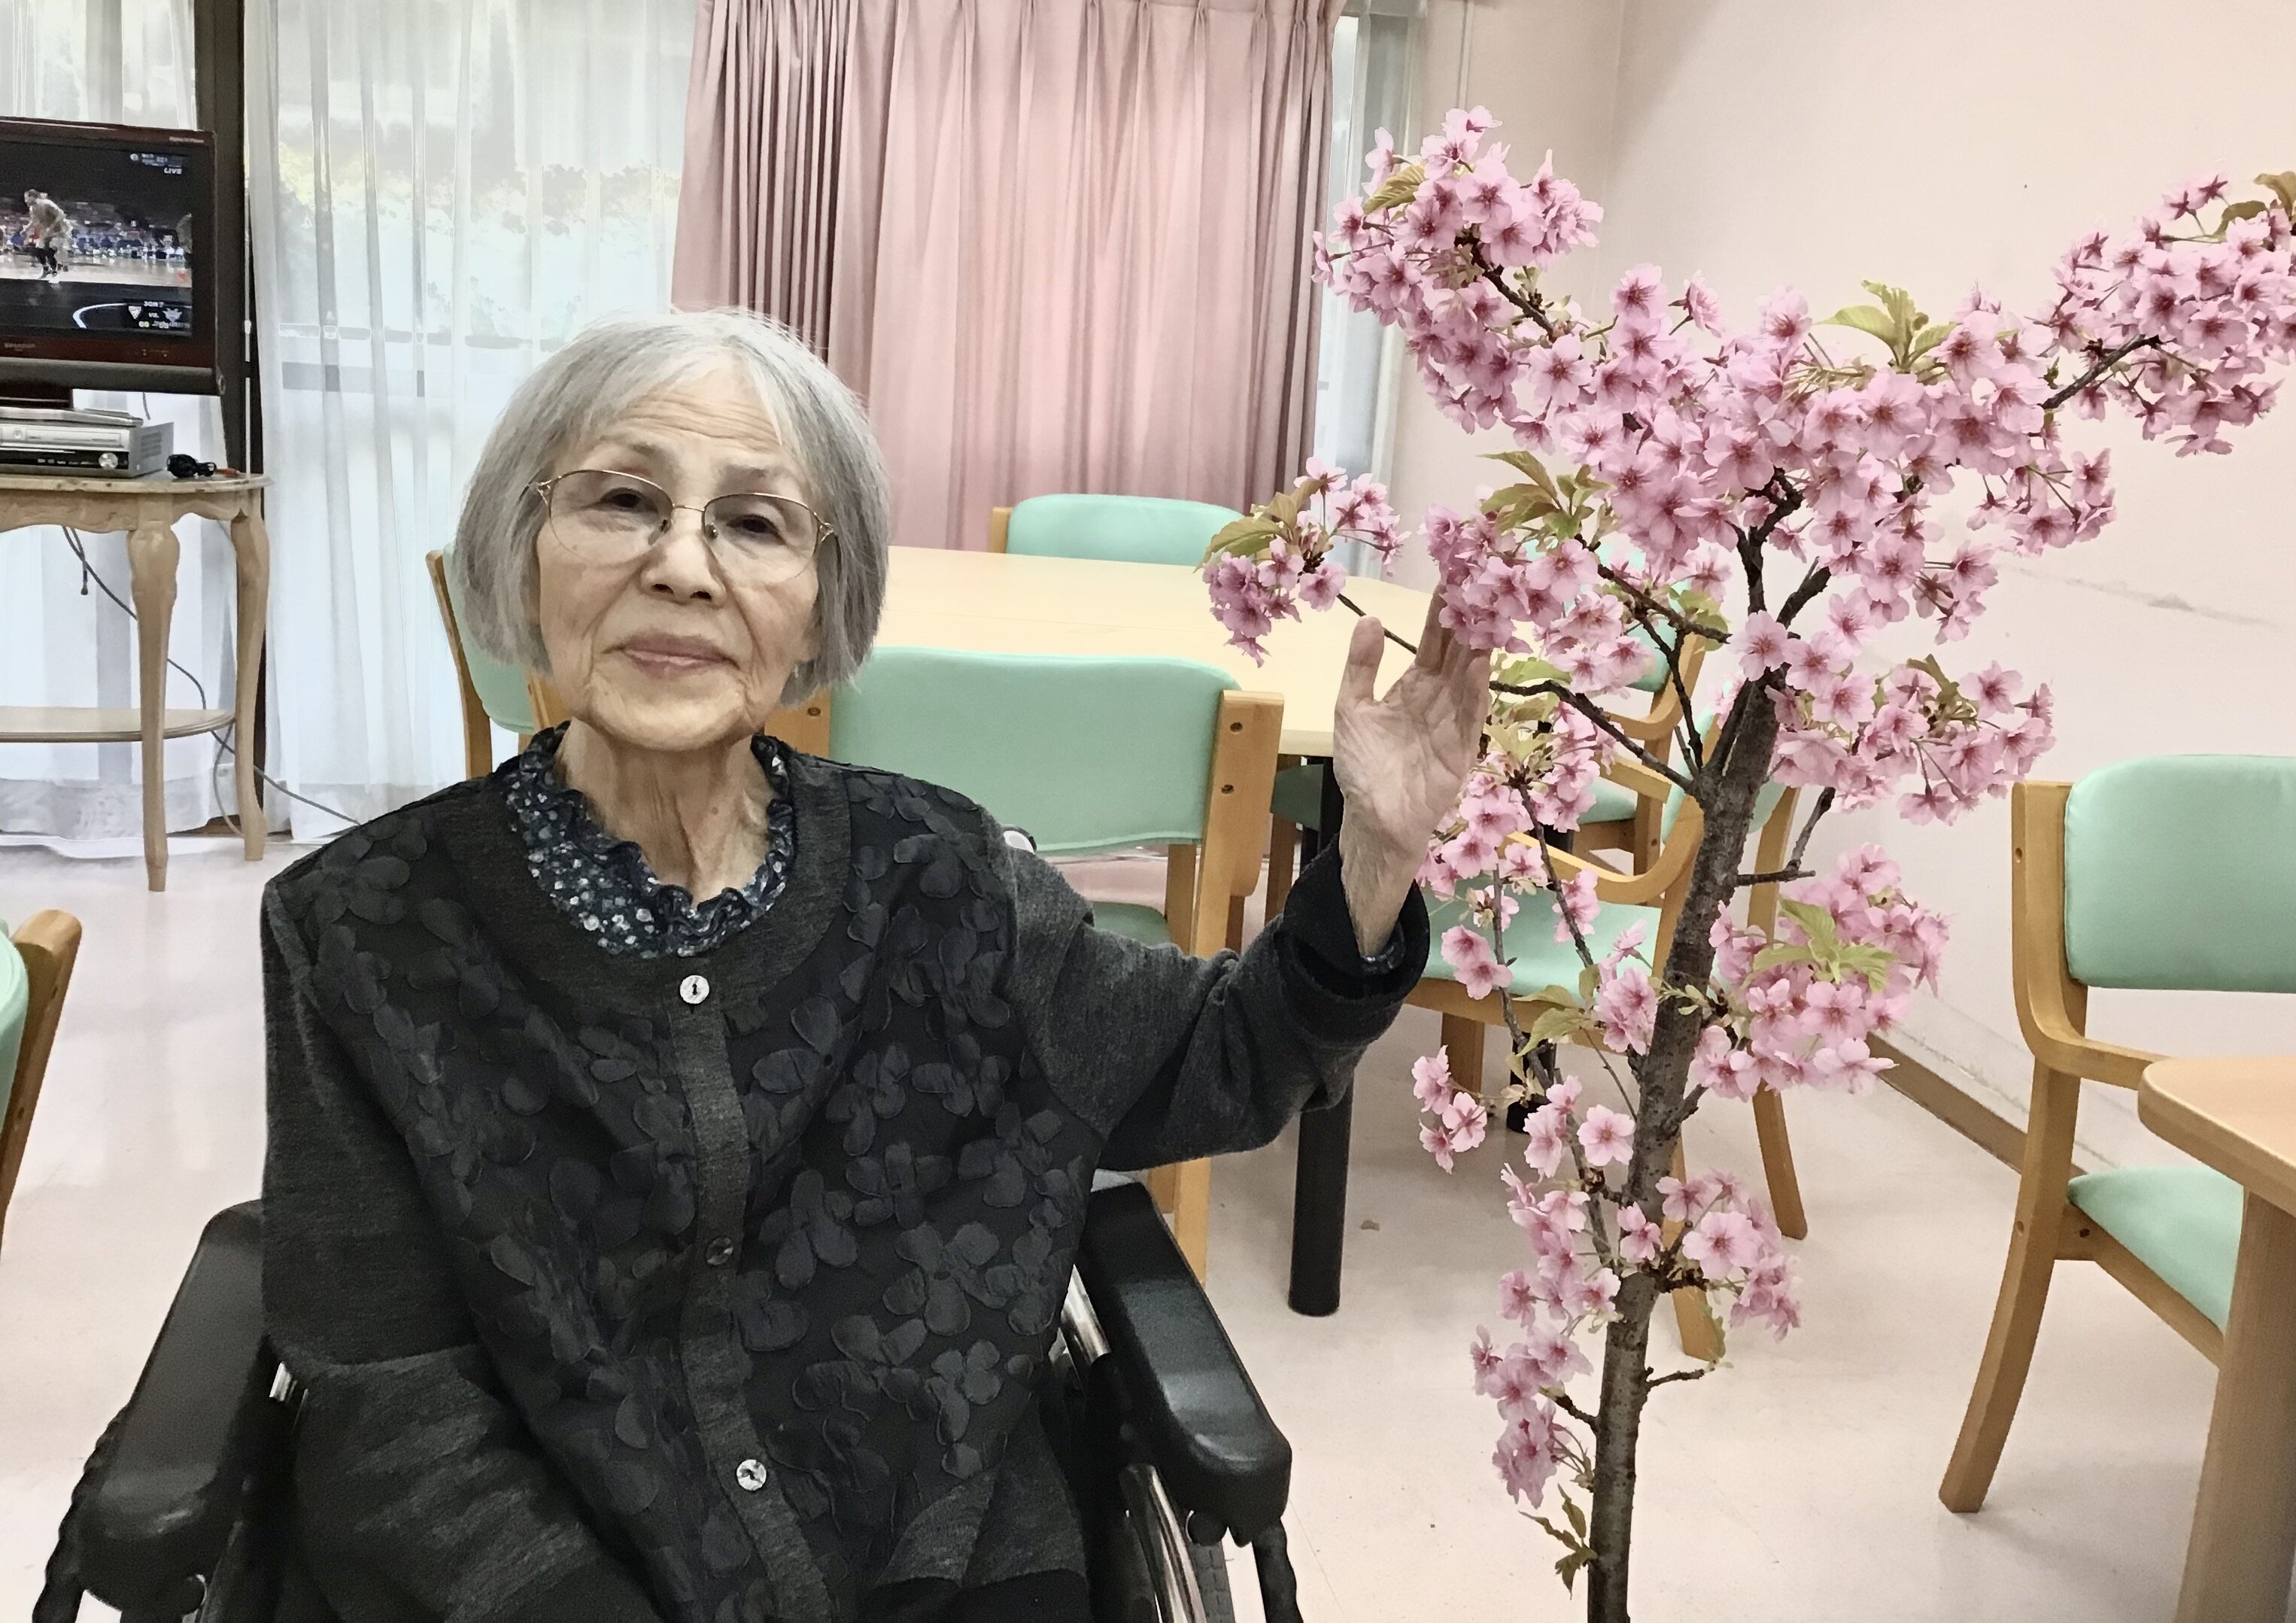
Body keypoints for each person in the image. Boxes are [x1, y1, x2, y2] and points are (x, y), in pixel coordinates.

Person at [260, 308, 1489, 1623]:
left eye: (754, 522)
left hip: (948, 1555)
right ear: (520, 547)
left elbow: (1222, 1055)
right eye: (622, 500)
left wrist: (1370, 861)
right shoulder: (362, 931)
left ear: (818, 605)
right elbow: (388, 1392)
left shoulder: (936, 873)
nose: (681, 567)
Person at [23, 189, 69, 278]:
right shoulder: (33, 208)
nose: (25, 201)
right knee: (37, 250)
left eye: (27, 198)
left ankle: (56, 272)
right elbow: (34, 220)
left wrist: (52, 226)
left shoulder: (47, 204)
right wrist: (27, 228)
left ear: (32, 197)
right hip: (45, 232)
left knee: (50, 251)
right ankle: (46, 269)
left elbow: (61, 215)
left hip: (58, 231)